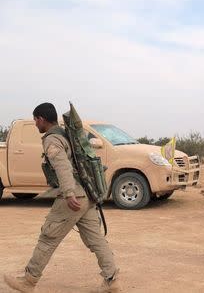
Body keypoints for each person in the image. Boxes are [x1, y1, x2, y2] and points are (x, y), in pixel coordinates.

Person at [4, 103, 121, 293]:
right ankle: (112, 280)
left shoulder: (52, 139)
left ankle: (28, 280)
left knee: (48, 237)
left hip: (74, 196)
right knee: (96, 240)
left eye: (35, 120)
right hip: (87, 194)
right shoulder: (67, 135)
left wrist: (68, 193)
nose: (35, 124)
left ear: (41, 119)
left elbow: (62, 166)